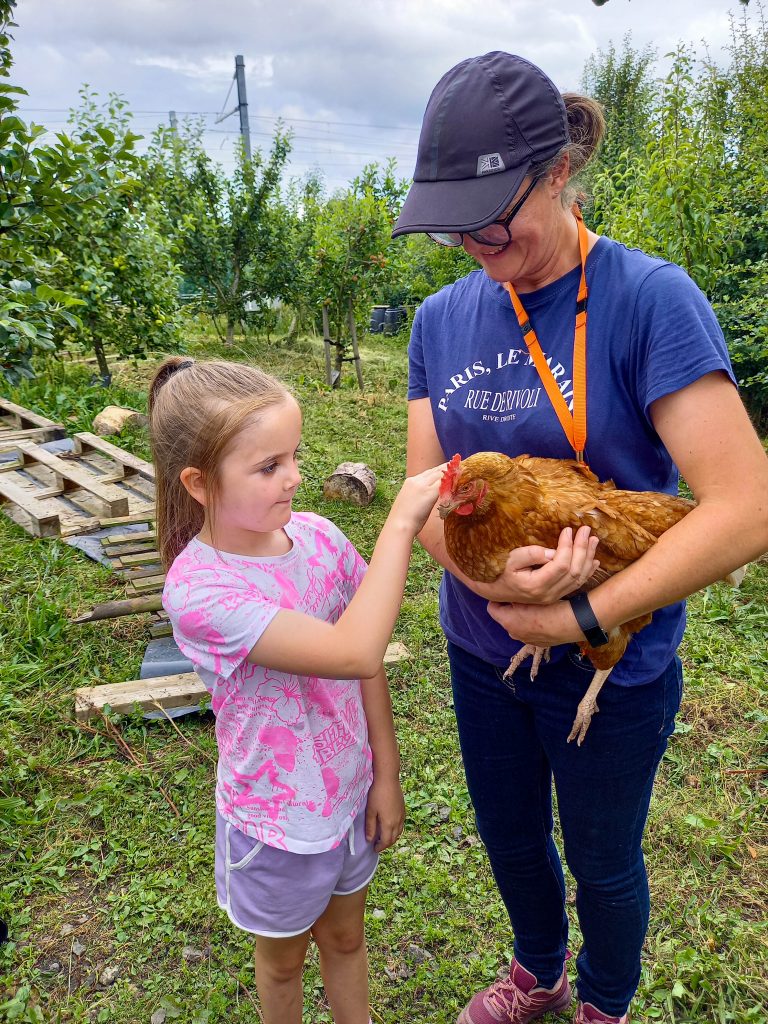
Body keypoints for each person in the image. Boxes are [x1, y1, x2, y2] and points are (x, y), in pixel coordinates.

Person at [392, 51, 768, 1024]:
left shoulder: (651, 301)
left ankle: (603, 999)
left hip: (614, 654)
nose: (473, 242)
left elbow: (745, 506)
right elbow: (422, 491)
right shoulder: (439, 320)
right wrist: (490, 585)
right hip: (483, 653)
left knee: (603, 856)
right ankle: (538, 969)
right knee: (511, 838)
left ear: (558, 172)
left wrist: (579, 612)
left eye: (491, 216)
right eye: (453, 225)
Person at [148, 356, 443, 1024]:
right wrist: (400, 523)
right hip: (274, 824)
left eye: (294, 456)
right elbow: (354, 649)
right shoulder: (199, 592)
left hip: (347, 797)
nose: (296, 477)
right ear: (198, 483)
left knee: (345, 938)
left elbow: (366, 669)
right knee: (281, 964)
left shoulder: (319, 538)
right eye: (268, 466)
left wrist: (386, 774)